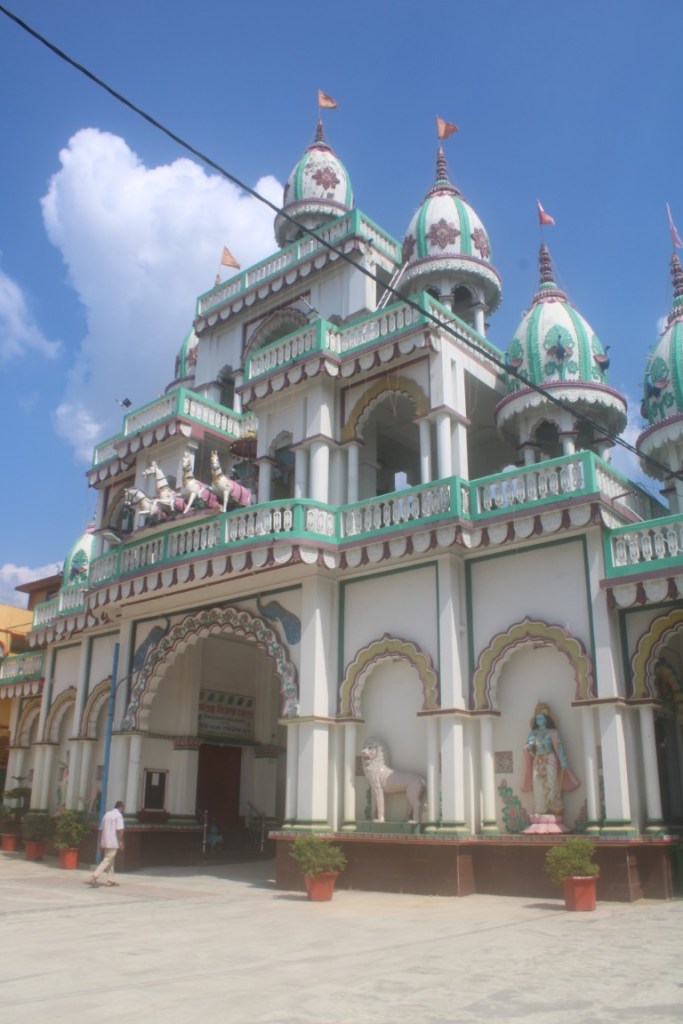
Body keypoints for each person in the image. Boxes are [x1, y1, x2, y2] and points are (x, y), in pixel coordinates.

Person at [521, 703, 579, 816]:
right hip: (538, 760)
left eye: (541, 718)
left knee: (551, 783)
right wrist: (528, 748)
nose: (539, 720)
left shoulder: (552, 732)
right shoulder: (533, 733)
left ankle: (553, 809)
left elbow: (559, 747)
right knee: (537, 784)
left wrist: (563, 760)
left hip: (550, 758)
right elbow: (531, 746)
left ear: (546, 719)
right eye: (537, 718)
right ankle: (540, 809)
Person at [90, 801, 125, 888]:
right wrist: (121, 842)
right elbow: (120, 830)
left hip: (105, 841)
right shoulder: (119, 815)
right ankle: (94, 876)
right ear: (120, 807)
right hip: (113, 841)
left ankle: (110, 880)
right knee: (107, 860)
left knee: (110, 861)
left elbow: (101, 829)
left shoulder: (106, 815)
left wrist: (100, 842)